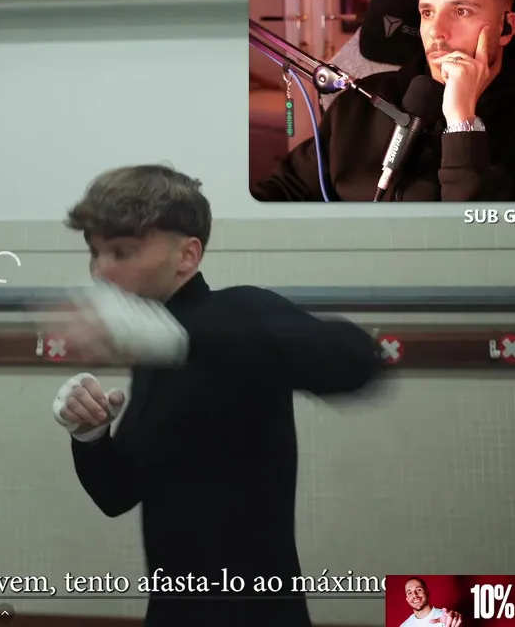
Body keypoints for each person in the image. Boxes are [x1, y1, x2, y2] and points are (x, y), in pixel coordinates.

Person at [47, 164, 384, 626]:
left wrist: (180, 338)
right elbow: (118, 494)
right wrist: (90, 435)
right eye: (94, 252)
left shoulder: (240, 311)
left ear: (187, 255)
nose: (100, 272)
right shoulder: (154, 347)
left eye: (122, 251)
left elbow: (359, 360)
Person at [253, 0, 515, 202]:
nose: (436, 30)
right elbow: (286, 190)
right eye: (427, 12)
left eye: (460, 11)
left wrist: (462, 125)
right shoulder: (364, 101)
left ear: (506, 28)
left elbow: (489, 243)